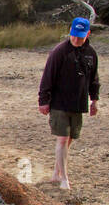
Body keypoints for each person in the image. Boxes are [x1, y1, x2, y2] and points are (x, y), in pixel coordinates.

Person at [37, 17, 99, 190]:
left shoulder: (91, 53)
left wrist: (94, 100)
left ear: (88, 34)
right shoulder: (59, 51)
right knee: (62, 139)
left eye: (80, 36)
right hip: (59, 103)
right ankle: (64, 178)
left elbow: (94, 78)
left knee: (69, 139)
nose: (76, 39)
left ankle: (56, 173)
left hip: (78, 103)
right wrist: (44, 101)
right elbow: (47, 77)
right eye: (73, 35)